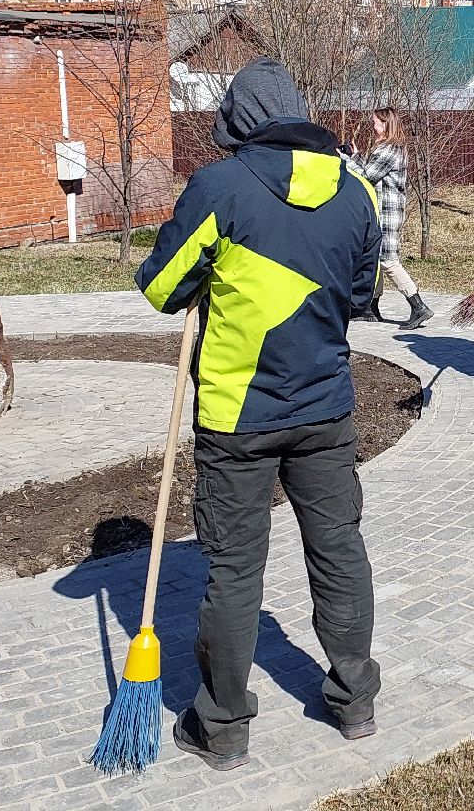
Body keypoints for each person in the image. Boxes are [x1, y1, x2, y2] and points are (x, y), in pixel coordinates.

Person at [135, 58, 384, 770]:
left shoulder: (220, 186)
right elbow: (361, 294)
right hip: (327, 408)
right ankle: (355, 701)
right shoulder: (358, 189)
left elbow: (159, 286)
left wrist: (215, 276)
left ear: (239, 124)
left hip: (237, 417)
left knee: (235, 571)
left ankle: (222, 728)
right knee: (338, 551)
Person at [345, 107, 431, 330]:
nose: (372, 127)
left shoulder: (390, 149)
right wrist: (355, 155)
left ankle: (418, 306)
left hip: (388, 213)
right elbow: (369, 170)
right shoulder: (387, 148)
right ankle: (370, 308)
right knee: (376, 257)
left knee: (388, 259)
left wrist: (345, 160)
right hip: (380, 211)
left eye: (375, 123)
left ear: (386, 125)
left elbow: (365, 176)